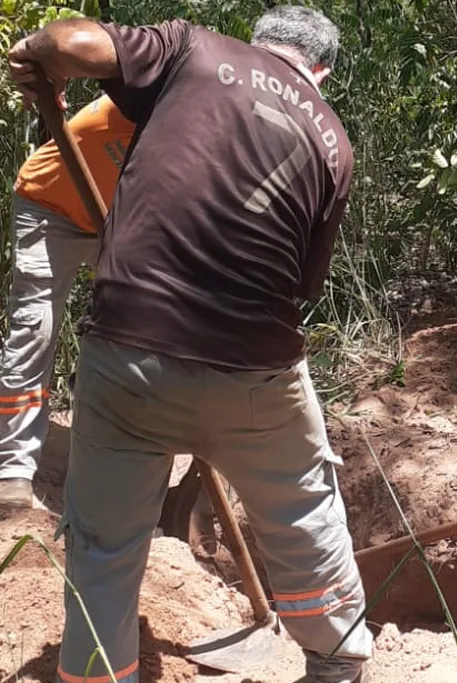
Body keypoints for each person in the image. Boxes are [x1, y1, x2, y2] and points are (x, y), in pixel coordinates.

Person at [8, 6, 372, 683]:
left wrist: (38, 54)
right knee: (302, 510)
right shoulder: (336, 144)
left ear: (262, 43)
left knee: (103, 547)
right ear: (320, 72)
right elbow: (299, 283)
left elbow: (74, 40)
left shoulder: (195, 49)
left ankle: (94, 673)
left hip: (128, 348)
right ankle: (336, 661)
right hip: (255, 362)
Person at [0, 94, 133, 510]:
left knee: (133, 332)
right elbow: (58, 50)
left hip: (112, 221)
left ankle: (110, 463)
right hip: (46, 206)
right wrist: (48, 79)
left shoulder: (196, 122)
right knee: (35, 327)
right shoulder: (134, 96)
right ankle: (13, 473)